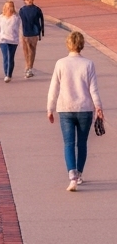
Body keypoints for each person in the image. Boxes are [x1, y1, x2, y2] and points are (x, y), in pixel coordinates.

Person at [47, 31, 104, 192]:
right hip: (85, 108)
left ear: (68, 44)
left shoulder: (60, 63)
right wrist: (98, 107)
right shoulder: (88, 64)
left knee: (68, 144)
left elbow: (54, 88)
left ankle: (72, 176)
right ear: (81, 45)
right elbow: (93, 89)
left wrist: (50, 108)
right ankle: (79, 174)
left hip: (65, 108)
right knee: (82, 143)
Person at [0, 1, 22, 83]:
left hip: (13, 40)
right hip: (3, 40)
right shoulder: (1, 17)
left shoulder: (16, 17)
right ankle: (6, 74)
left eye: (10, 7)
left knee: (11, 57)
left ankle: (9, 74)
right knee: (6, 57)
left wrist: (21, 39)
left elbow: (20, 29)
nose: (9, 8)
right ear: (4, 8)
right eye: (7, 7)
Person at [20, 0, 45, 78]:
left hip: (26, 33)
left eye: (26, 0)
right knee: (32, 51)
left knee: (27, 50)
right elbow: (41, 21)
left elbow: (20, 20)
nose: (25, 1)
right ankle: (29, 67)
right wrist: (41, 32)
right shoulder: (37, 9)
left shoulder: (22, 10)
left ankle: (28, 66)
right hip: (34, 33)